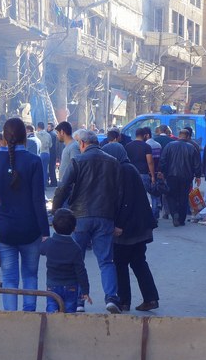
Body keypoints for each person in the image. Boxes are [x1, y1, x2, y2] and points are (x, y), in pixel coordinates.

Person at [0, 118, 49, 311]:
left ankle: (11, 319)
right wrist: (45, 231)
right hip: (31, 229)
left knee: (9, 278)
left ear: (4, 136)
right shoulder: (34, 161)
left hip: (4, 229)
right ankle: (29, 315)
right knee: (30, 275)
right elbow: (38, 201)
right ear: (25, 136)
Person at [52, 129, 123, 313]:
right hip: (105, 216)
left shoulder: (78, 161)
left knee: (78, 260)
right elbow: (119, 194)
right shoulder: (113, 162)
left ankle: (79, 301)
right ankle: (111, 298)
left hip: (80, 217)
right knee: (106, 260)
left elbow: (63, 187)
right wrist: (115, 218)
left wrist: (55, 210)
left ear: (82, 143)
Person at [103, 143, 159, 313]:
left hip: (129, 229)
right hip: (138, 226)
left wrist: (119, 224)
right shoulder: (129, 168)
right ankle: (150, 298)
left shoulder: (123, 170)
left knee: (120, 264)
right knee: (138, 262)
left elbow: (125, 201)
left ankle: (124, 301)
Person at [40, 208, 89, 313]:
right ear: (74, 228)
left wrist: (43, 241)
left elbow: (41, 250)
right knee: (69, 310)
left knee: (52, 306)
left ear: (53, 226)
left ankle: (53, 321)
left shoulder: (49, 243)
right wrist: (85, 291)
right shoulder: (75, 248)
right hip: (71, 285)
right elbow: (81, 271)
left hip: (52, 285)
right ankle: (66, 327)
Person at [159, 128, 202, 226]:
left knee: (171, 195)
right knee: (183, 197)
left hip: (171, 175)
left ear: (179, 135)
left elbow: (163, 159)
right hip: (186, 177)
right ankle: (181, 219)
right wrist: (198, 176)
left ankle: (174, 213)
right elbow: (197, 164)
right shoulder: (191, 147)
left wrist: (161, 171)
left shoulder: (170, 146)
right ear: (187, 137)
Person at [46, 122, 59, 187]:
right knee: (51, 168)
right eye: (47, 126)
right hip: (52, 153)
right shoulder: (53, 134)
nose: (47, 128)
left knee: (51, 168)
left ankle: (53, 182)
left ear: (52, 127)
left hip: (52, 153)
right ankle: (52, 181)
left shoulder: (51, 134)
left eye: (49, 127)